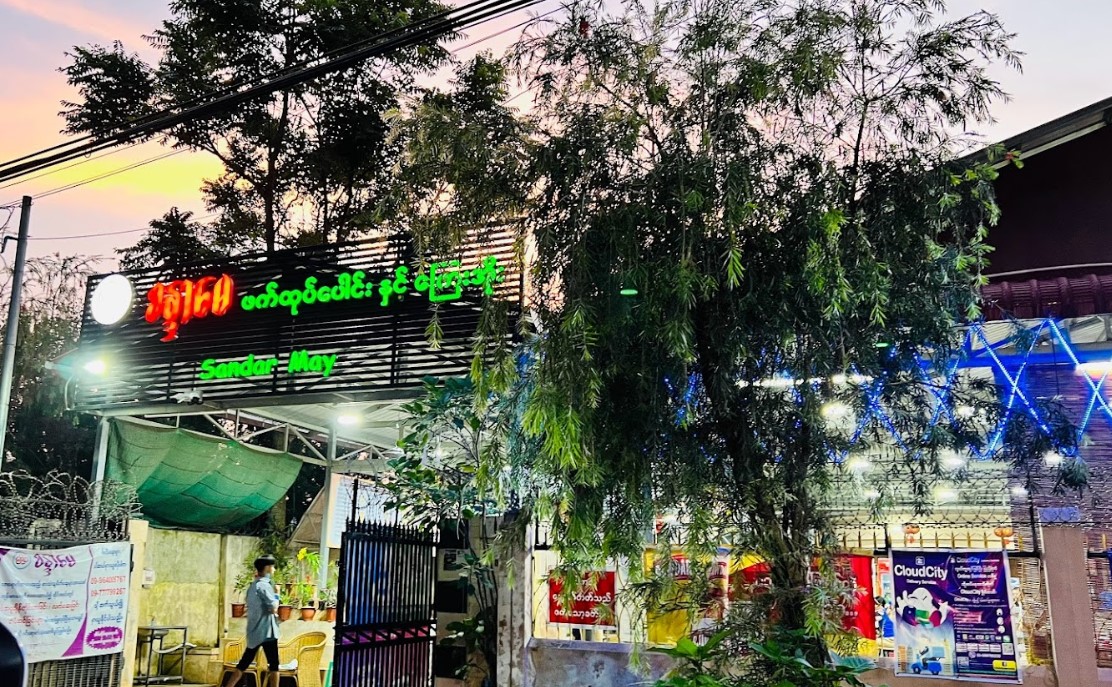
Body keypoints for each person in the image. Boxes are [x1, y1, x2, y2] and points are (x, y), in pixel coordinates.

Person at [224, 555, 281, 687]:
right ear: (267, 568)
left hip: (255, 631)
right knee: (274, 664)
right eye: (272, 567)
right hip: (267, 631)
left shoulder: (253, 586)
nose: (274, 570)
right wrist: (277, 593)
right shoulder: (264, 586)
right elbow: (273, 607)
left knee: (244, 662)